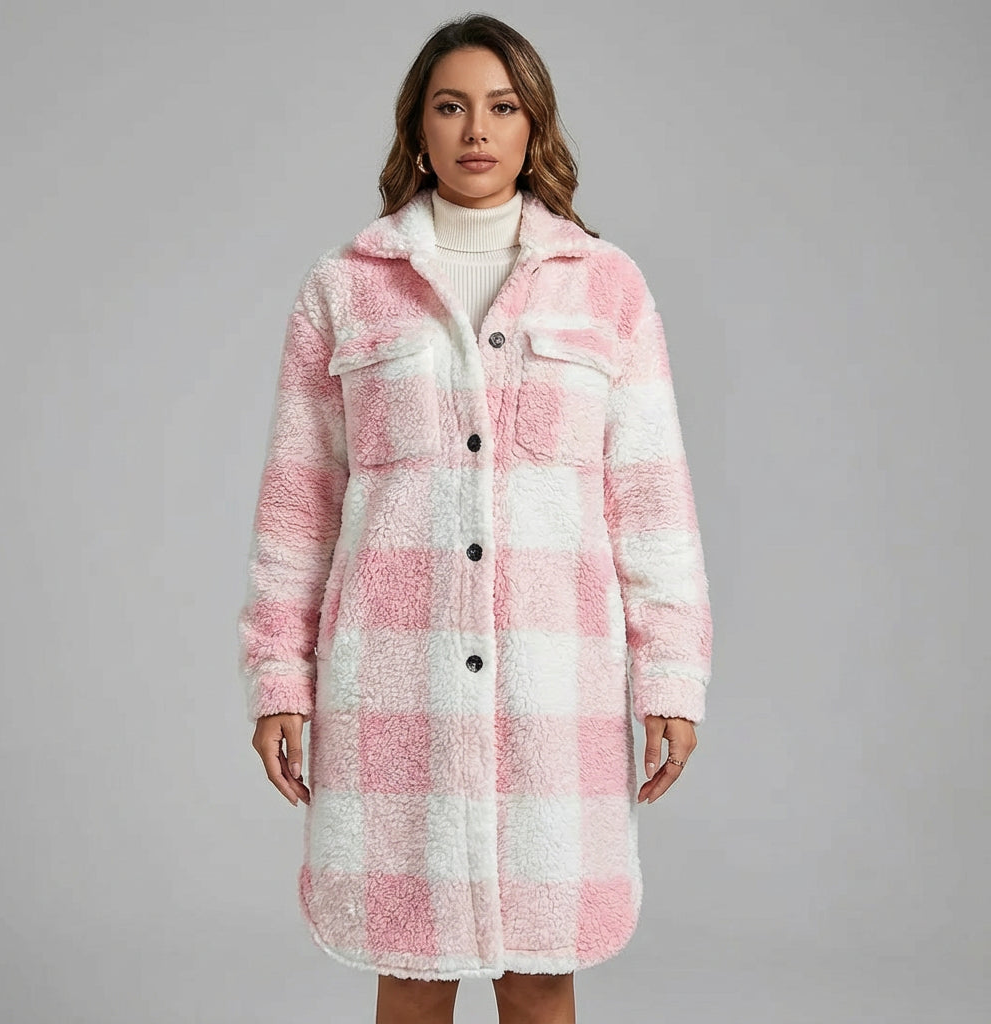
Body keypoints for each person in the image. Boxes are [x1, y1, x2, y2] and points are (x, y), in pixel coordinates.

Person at [236, 14, 712, 1024]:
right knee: (410, 974)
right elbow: (297, 504)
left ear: (535, 126)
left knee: (541, 974)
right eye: (451, 106)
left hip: (554, 686)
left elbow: (651, 500)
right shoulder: (345, 288)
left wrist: (671, 672)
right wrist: (278, 674)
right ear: (418, 127)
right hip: (395, 684)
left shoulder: (607, 287)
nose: (477, 130)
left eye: (502, 106)